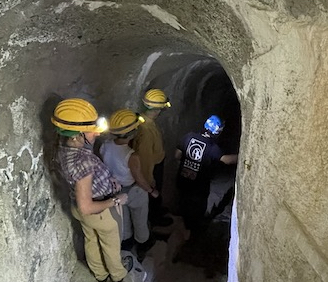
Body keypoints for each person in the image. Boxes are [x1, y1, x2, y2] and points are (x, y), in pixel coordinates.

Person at [52, 98, 130, 282]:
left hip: (76, 207)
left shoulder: (63, 148)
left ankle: (100, 275)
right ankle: (118, 277)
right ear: (77, 135)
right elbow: (86, 206)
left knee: (91, 240)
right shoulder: (82, 161)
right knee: (110, 245)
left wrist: (107, 180)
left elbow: (83, 180)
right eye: (91, 131)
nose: (96, 133)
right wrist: (117, 200)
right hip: (99, 211)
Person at [100, 109, 160, 257]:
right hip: (133, 190)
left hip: (115, 191)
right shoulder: (131, 155)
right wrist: (152, 191)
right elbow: (139, 178)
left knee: (123, 221)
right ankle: (143, 244)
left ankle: (127, 247)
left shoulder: (105, 145)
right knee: (140, 218)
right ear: (132, 132)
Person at [175, 115, 238, 236]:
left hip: (183, 180)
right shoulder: (212, 147)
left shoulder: (188, 136)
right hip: (199, 186)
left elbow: (177, 155)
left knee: (183, 203)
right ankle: (192, 232)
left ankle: (182, 227)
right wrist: (241, 156)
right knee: (197, 210)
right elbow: (226, 160)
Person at [133, 88, 173, 228]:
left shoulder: (146, 121)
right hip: (152, 167)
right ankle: (155, 219)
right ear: (157, 109)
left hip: (156, 163)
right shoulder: (146, 131)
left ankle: (157, 210)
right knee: (154, 193)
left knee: (158, 193)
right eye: (160, 109)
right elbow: (145, 159)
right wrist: (149, 180)